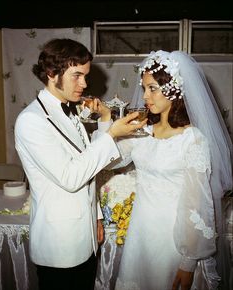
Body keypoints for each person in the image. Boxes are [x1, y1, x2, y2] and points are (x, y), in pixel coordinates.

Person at [92, 50, 232, 290]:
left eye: (152, 88)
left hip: (173, 240)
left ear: (174, 89)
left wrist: (188, 262)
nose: (145, 95)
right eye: (144, 88)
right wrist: (106, 119)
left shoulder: (193, 140)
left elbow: (197, 203)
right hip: (141, 232)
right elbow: (108, 159)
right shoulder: (142, 131)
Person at [14, 38, 146, 290]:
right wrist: (111, 134)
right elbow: (71, 177)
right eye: (77, 75)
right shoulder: (31, 121)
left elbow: (90, 167)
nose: (84, 84)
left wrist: (95, 217)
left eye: (85, 76)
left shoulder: (70, 111)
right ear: (52, 74)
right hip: (60, 246)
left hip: (85, 238)